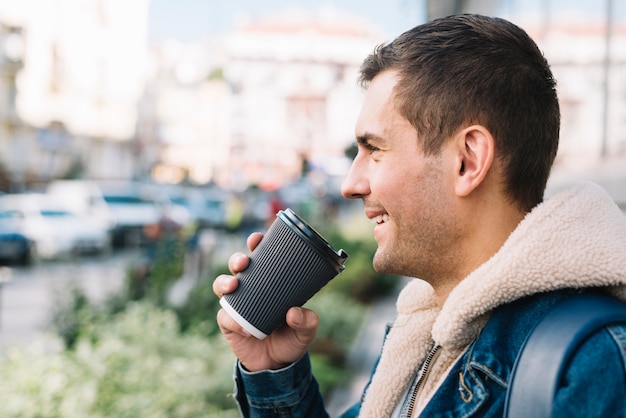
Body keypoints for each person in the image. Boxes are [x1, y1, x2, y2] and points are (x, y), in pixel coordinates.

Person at [213, 14, 626, 417]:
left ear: (467, 161)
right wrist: (272, 368)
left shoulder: (595, 365)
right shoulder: (423, 337)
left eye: (374, 149)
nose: (350, 184)